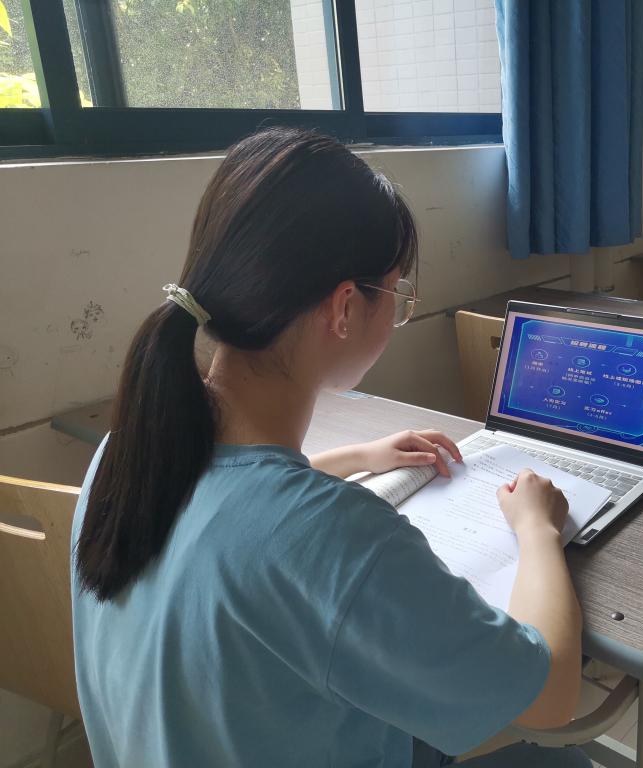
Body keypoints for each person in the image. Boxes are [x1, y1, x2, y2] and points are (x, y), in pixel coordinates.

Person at [71, 127, 590, 767]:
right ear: (344, 308)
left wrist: (356, 458)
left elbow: (234, 514)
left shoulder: (126, 454)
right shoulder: (336, 536)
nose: (397, 312)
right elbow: (550, 696)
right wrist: (537, 528)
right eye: (396, 294)